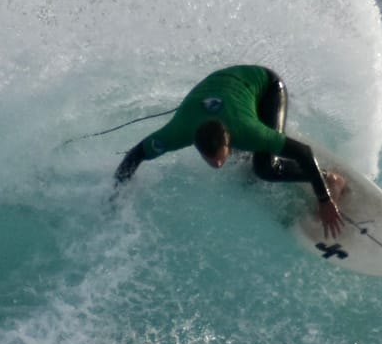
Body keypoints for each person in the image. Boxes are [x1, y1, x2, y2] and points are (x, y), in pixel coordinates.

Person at [115, 64, 345, 237]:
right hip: (221, 88)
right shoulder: (177, 132)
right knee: (247, 169)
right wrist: (117, 193)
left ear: (228, 141)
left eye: (219, 157)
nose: (216, 165)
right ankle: (265, 146)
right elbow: (135, 156)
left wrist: (324, 199)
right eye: (209, 159)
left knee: (264, 169)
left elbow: (303, 152)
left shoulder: (246, 131)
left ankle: (331, 179)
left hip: (265, 86)